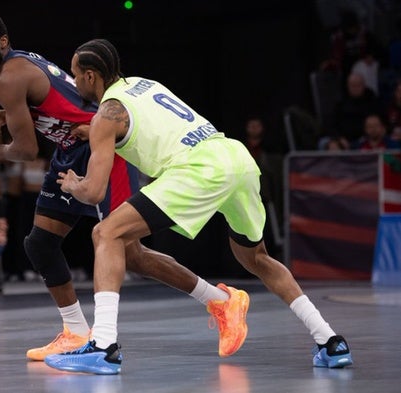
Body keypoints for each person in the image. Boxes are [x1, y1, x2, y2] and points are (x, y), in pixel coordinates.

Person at [44, 38, 353, 375]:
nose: (73, 83)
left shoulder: (107, 113)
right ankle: (330, 341)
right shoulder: (143, 85)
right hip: (235, 158)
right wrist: (93, 131)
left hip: (197, 169)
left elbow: (93, 191)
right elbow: (142, 126)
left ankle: (103, 345)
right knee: (258, 258)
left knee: (106, 233)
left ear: (90, 76)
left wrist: (74, 184)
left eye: (75, 76)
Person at [0, 11, 242, 361]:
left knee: (130, 254)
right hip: (70, 149)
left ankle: (220, 302)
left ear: (3, 42)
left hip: (98, 146)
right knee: (41, 243)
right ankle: (76, 332)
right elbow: (53, 107)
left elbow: (27, 149)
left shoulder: (9, 77)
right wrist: (9, 115)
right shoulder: (19, 67)